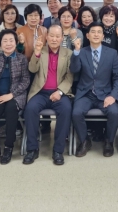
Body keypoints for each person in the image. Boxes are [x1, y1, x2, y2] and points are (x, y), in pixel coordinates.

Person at [23, 25, 75, 166]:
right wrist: (37, 53)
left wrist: (60, 92)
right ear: (47, 36)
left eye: (57, 36)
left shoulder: (68, 53)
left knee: (66, 109)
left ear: (62, 38)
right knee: (30, 109)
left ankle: (58, 150)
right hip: (40, 92)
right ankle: (32, 149)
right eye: (51, 36)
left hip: (60, 93)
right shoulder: (40, 50)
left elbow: (70, 77)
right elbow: (32, 69)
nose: (54, 39)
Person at [71, 22, 118, 158]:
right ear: (87, 35)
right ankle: (84, 141)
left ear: (103, 36)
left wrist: (113, 96)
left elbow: (117, 78)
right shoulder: (81, 52)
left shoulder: (112, 53)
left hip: (105, 94)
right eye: (93, 32)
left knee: (114, 112)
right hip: (85, 94)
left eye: (99, 32)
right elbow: (74, 70)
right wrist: (76, 51)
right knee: (76, 113)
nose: (96, 35)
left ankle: (108, 141)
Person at [0, 29, 30, 165]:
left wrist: (12, 95)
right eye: (5, 41)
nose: (8, 44)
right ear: (0, 44)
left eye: (11, 41)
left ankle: (9, 147)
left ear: (16, 43)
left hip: (16, 95)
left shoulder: (21, 59)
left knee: (11, 110)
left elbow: (25, 81)